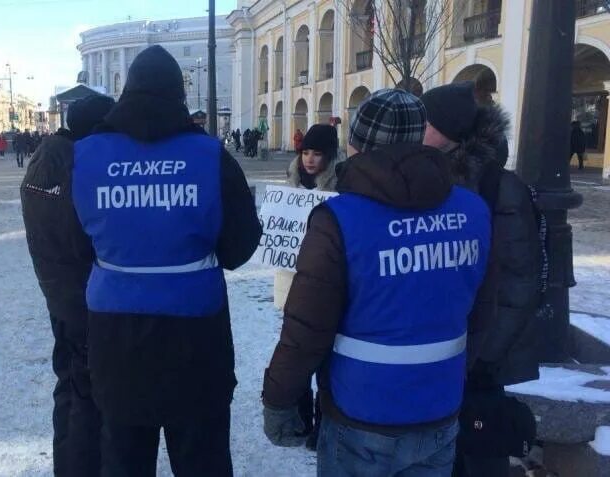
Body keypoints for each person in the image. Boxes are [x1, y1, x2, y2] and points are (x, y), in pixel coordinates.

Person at [262, 89, 493, 477]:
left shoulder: (339, 219)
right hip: (439, 409)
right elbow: (484, 311)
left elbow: (307, 329)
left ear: (356, 145)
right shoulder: (473, 209)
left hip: (361, 414)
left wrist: (279, 401)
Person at [71, 45, 261, 477]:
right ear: (179, 95)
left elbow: (76, 245)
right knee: (202, 460)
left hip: (114, 336)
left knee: (123, 458)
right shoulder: (211, 156)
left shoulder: (85, 156)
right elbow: (239, 247)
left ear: (126, 92)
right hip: (196, 338)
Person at [421, 82, 542, 477]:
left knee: (475, 456)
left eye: (427, 121)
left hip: (479, 360)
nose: (418, 128)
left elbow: (519, 282)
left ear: (450, 129)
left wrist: (481, 356)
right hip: (442, 350)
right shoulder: (431, 179)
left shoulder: (499, 187)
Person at [21, 94, 116, 477]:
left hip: (59, 293)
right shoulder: (77, 167)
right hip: (82, 296)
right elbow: (88, 237)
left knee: (71, 386)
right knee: (88, 394)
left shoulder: (46, 160)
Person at [272, 124, 341, 451]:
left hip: (326, 285)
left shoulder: (340, 190)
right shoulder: (289, 186)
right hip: (292, 283)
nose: (310, 160)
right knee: (295, 354)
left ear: (329, 157)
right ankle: (300, 417)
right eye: (306, 153)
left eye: (317, 154)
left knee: (325, 359)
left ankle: (322, 422)